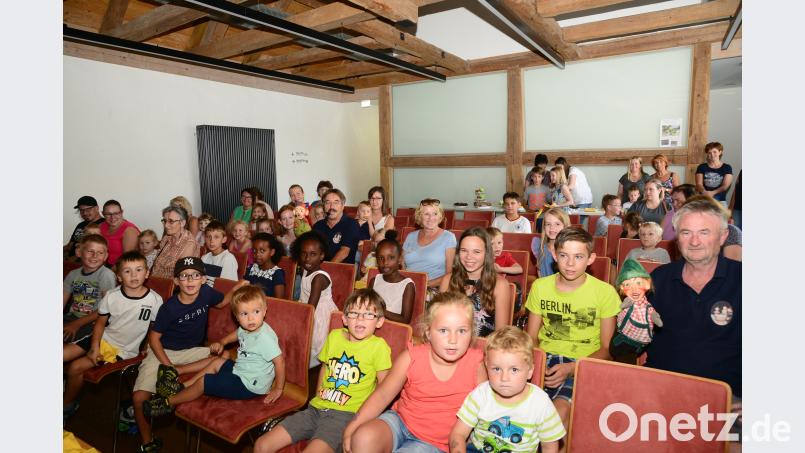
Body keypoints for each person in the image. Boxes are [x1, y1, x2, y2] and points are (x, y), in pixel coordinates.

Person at [342, 292, 487, 453]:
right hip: (400, 422)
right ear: (428, 332)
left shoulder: (477, 365)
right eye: (444, 330)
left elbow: (488, 412)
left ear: (472, 333)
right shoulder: (411, 357)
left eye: (461, 331)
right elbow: (382, 395)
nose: (453, 340)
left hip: (435, 443)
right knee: (363, 438)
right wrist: (352, 427)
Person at [254, 289, 392, 453]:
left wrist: (366, 419)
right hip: (315, 409)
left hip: (345, 416)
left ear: (379, 322)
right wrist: (319, 392)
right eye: (354, 313)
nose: (360, 318)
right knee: (262, 445)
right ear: (345, 319)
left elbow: (385, 387)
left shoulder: (379, 347)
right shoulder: (334, 336)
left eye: (368, 314)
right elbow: (325, 365)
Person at [644, 196, 741, 432]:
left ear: (723, 236)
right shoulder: (659, 279)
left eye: (704, 232)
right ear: (677, 239)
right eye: (686, 233)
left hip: (728, 400)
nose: (695, 241)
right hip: (661, 394)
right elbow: (636, 342)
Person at [131, 256, 242, 452]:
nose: (190, 280)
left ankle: (178, 381)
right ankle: (148, 441)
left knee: (224, 356)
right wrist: (167, 364)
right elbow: (154, 339)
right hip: (162, 352)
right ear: (176, 281)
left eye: (195, 275)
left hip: (191, 351)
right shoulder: (170, 307)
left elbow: (222, 302)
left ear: (203, 279)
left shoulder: (206, 292)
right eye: (184, 276)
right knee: (139, 398)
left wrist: (236, 288)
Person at [525, 227, 620, 439]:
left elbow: (607, 349)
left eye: (578, 257)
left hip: (583, 362)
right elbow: (530, 338)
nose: (570, 263)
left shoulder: (604, 292)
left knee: (557, 415)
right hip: (544, 359)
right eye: (564, 256)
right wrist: (536, 366)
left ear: (590, 258)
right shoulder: (541, 287)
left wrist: (571, 368)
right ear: (554, 254)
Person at [143, 285, 286, 420]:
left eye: (256, 311)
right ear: (236, 316)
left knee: (205, 381)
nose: (250, 318)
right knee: (217, 361)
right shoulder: (246, 327)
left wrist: (278, 388)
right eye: (244, 313)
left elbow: (279, 362)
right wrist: (223, 342)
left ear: (265, 310)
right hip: (241, 371)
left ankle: (168, 403)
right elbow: (237, 334)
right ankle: (183, 387)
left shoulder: (264, 338)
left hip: (250, 385)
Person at [63, 251, 163, 422]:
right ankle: (68, 388)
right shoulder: (112, 296)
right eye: (127, 271)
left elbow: (155, 327)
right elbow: (100, 323)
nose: (134, 275)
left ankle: (65, 406)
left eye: (139, 270)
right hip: (101, 338)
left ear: (147, 273)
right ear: (119, 276)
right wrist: (94, 347)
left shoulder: (154, 300)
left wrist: (147, 346)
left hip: (122, 349)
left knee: (75, 367)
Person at [450, 327, 565, 453]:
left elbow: (550, 447)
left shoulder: (541, 403)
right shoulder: (481, 394)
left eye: (514, 370)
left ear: (530, 371)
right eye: (497, 369)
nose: (504, 378)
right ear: (487, 366)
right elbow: (458, 434)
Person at [441, 227, 510, 337]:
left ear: (486, 253)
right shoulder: (448, 280)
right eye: (464, 250)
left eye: (476, 252)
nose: (469, 257)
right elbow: (440, 323)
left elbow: (500, 334)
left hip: (486, 348)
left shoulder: (500, 285)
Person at [63, 234, 117, 355]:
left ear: (106, 256)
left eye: (100, 253)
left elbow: (106, 309)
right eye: (90, 251)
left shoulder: (106, 275)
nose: (95, 256)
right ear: (79, 252)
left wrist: (76, 324)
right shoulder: (73, 274)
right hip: (71, 318)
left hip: (92, 323)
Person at [293, 231, 339, 367]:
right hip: (308, 309)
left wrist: (298, 320)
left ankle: (315, 375)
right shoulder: (306, 269)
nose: (307, 258)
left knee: (316, 348)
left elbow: (311, 307)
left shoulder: (318, 277)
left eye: (313, 254)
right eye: (303, 253)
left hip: (319, 315)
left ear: (322, 256)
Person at [403, 198, 457, 293]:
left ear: (440, 216)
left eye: (435, 214)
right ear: (420, 216)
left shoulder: (448, 237)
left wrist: (424, 284)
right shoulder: (410, 236)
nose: (431, 218)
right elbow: (402, 265)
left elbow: (450, 274)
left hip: (433, 289)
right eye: (426, 214)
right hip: (407, 287)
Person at [369, 237, 415, 325]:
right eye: (381, 258)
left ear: (400, 259)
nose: (385, 262)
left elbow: (405, 319)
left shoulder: (407, 285)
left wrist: (380, 310)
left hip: (393, 330)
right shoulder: (374, 281)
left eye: (391, 257)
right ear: (376, 261)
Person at [488, 227, 524, 327]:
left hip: (499, 294)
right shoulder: (482, 257)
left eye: (499, 243)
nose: (497, 247)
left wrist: (501, 269)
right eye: (492, 244)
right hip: (486, 293)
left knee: (516, 287)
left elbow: (519, 269)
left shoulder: (505, 257)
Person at [313, 189, 361, 264]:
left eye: (336, 202)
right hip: (319, 269)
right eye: (327, 202)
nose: (331, 207)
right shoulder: (318, 226)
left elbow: (344, 252)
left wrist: (325, 270)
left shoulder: (352, 224)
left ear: (342, 206)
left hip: (342, 271)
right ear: (323, 206)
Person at [150, 206, 200, 279]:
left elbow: (182, 274)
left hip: (171, 287)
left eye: (171, 221)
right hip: (154, 281)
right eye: (164, 221)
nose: (166, 225)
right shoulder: (167, 238)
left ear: (182, 223)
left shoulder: (189, 244)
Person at [530, 208, 570, 278]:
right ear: (544, 227)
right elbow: (539, 271)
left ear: (565, 226)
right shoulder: (540, 246)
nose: (552, 228)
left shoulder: (571, 249)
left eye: (557, 224)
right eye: (548, 224)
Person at [245, 232, 286, 298]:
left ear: (272, 252)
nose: (257, 254)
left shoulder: (277, 273)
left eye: (262, 251)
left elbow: (279, 301)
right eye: (255, 250)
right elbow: (243, 290)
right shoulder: (251, 268)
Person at [99, 199, 140, 265]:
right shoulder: (101, 226)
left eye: (116, 213)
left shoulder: (129, 230)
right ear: (103, 214)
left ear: (121, 212)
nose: (112, 217)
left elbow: (127, 259)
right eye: (108, 214)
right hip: (103, 266)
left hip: (121, 268)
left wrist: (107, 273)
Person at [201, 220, 238, 287]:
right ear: (204, 238)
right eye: (208, 237)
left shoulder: (228, 259)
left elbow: (228, 287)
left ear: (224, 239)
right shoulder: (204, 258)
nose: (211, 241)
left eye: (216, 237)